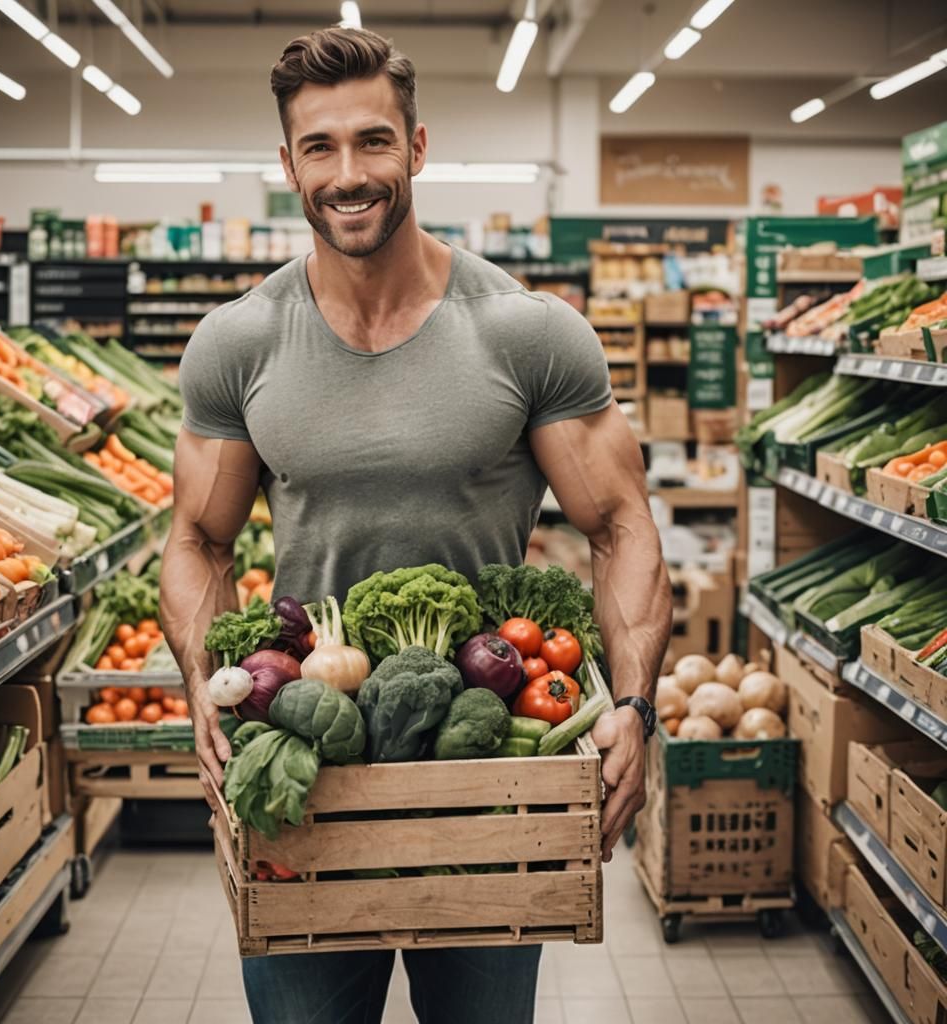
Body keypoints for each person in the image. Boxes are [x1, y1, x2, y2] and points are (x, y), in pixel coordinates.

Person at [159, 25, 672, 1024]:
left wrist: (635, 708)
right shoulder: (238, 344)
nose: (348, 174)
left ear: (418, 147)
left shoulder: (525, 332)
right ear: (287, 164)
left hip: (492, 758)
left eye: (372, 142)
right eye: (320, 147)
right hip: (305, 762)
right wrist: (202, 691)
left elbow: (620, 523)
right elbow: (196, 540)